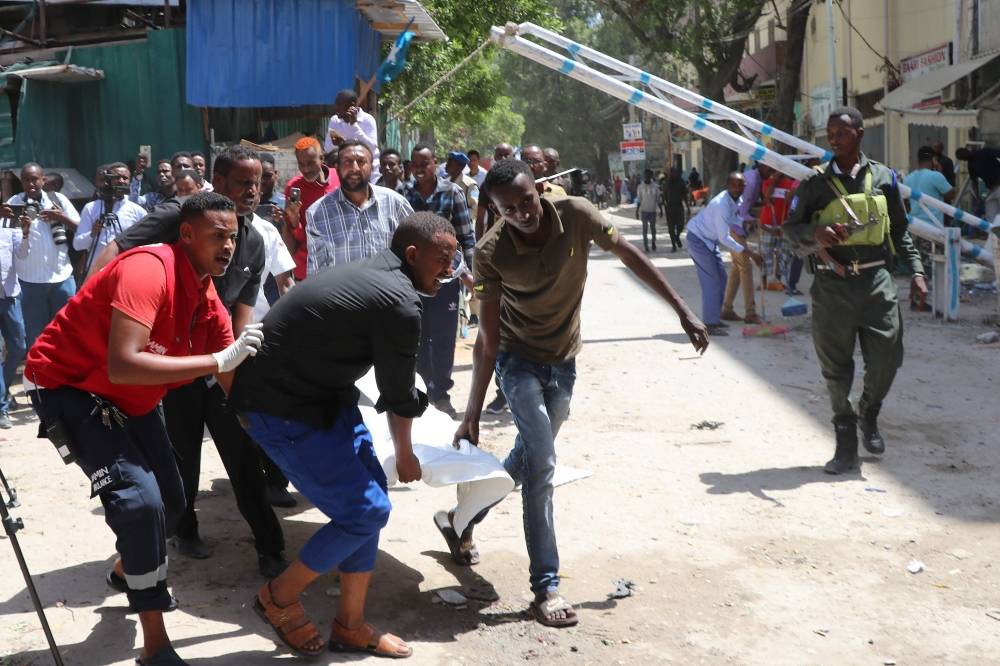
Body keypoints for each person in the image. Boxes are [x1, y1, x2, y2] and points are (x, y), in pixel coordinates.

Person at [447, 159, 707, 628]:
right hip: (517, 362)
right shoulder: (490, 252)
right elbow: (486, 339)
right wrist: (472, 413)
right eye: (509, 209)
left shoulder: (579, 213)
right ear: (495, 209)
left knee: (528, 459)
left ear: (539, 190)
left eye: (527, 201)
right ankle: (545, 586)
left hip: (563, 363)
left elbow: (629, 254)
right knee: (543, 465)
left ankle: (460, 519)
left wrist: (682, 308)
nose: (523, 213)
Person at [24, 192, 263, 666]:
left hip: (131, 398)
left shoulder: (206, 291)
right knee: (140, 503)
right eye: (218, 235)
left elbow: (229, 374)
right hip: (70, 388)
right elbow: (125, 363)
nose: (229, 246)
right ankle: (155, 642)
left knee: (174, 503)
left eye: (233, 237)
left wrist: (259, 423)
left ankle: (126, 568)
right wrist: (218, 359)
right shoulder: (148, 270)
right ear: (187, 234)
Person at [232, 213, 456, 660]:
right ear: (413, 255)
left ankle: (350, 625)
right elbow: (398, 394)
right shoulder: (400, 301)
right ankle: (277, 597)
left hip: (321, 399)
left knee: (368, 504)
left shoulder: (381, 274)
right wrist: (406, 453)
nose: (449, 269)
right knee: (366, 511)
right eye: (442, 259)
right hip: (281, 409)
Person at [90, 146, 287, 575]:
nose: (252, 191)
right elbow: (115, 250)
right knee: (181, 457)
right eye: (241, 183)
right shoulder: (178, 216)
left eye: (257, 184)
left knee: (242, 456)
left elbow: (240, 312)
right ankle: (185, 530)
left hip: (218, 358)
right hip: (174, 363)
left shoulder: (253, 241)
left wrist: (232, 369)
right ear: (217, 181)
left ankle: (270, 547)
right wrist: (90, 308)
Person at [784, 106, 927, 474]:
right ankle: (845, 442)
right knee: (836, 368)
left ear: (859, 133)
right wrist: (814, 234)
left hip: (877, 283)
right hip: (833, 285)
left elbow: (899, 229)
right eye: (830, 134)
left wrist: (917, 271)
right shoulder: (813, 184)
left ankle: (869, 411)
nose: (834, 139)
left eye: (841, 133)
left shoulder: (884, 178)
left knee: (887, 359)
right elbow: (790, 231)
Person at [404, 144, 475, 416]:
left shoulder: (452, 192)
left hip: (446, 280)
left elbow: (466, 237)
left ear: (436, 164)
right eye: (415, 164)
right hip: (412, 281)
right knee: (416, 336)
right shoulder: (403, 193)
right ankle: (422, 392)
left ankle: (442, 394)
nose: (420, 168)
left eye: (425, 163)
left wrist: (466, 270)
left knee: (444, 338)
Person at [306, 140, 412, 275]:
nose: (354, 168)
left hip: (388, 295)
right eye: (347, 162)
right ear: (337, 167)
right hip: (343, 295)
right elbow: (316, 272)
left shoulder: (396, 204)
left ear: (372, 167)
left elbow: (414, 252)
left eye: (361, 162)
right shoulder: (317, 213)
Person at [3, 163, 79, 350]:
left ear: (43, 180)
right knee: (36, 336)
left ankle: (64, 373)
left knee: (66, 331)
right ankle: (39, 375)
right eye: (26, 179)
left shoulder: (57, 199)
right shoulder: (14, 203)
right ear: (21, 182)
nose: (31, 183)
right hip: (29, 282)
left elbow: (81, 229)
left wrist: (61, 217)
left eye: (35, 179)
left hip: (62, 278)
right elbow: (5, 239)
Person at [686, 173, 763, 336]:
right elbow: (724, 238)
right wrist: (750, 253)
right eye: (734, 185)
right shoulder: (722, 204)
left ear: (745, 187)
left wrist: (752, 222)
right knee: (712, 281)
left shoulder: (736, 200)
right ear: (728, 185)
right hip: (699, 240)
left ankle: (715, 317)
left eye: (741, 185)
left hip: (709, 241)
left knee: (722, 278)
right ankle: (709, 323)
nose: (738, 188)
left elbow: (734, 220)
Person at [283, 137, 341, 281]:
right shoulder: (294, 187)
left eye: (310, 163)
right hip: (307, 269)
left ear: (322, 158)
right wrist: (295, 220)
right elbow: (300, 238)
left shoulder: (339, 177)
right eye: (301, 164)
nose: (306, 169)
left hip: (340, 264)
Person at [75, 163, 148, 271]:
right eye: (117, 177)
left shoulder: (138, 211)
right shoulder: (91, 208)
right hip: (97, 271)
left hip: (125, 270)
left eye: (125, 178)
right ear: (107, 180)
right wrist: (92, 233)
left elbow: (146, 244)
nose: (121, 181)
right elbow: (77, 245)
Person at [0, 212, 26, 429]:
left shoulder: (10, 226)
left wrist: (25, 231)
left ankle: (4, 388)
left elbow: (24, 254)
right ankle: (2, 409)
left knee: (19, 347)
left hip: (9, 295)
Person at [759, 171, 802, 294]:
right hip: (768, 223)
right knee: (766, 253)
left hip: (784, 224)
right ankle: (764, 281)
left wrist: (785, 226)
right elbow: (767, 198)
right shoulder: (767, 182)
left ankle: (777, 280)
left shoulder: (791, 184)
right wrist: (774, 181)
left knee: (784, 253)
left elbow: (792, 204)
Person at [323, 89, 380, 181]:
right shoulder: (334, 120)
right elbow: (327, 149)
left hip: (369, 174)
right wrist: (338, 144)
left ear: (352, 105)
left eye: (339, 105)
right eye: (336, 104)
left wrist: (354, 125)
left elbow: (372, 148)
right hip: (344, 174)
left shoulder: (368, 120)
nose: (336, 108)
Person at [445, 150, 480, 220]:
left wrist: (458, 217)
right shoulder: (444, 182)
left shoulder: (471, 185)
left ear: (460, 167)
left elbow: (475, 209)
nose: (446, 165)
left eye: (450, 163)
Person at [663, 167, 690, 252]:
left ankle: (677, 236)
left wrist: (688, 207)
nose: (674, 174)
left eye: (675, 172)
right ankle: (673, 245)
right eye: (672, 172)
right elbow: (664, 195)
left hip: (679, 206)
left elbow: (685, 195)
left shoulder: (681, 182)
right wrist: (665, 205)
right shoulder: (667, 183)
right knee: (671, 228)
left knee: (680, 225)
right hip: (670, 207)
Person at [636, 169, 660, 252]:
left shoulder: (656, 187)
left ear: (651, 176)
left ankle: (653, 241)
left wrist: (660, 210)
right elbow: (639, 200)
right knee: (645, 229)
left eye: (649, 175)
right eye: (646, 175)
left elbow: (658, 199)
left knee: (653, 228)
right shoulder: (640, 187)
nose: (647, 177)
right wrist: (637, 211)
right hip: (644, 211)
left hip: (653, 211)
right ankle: (646, 245)